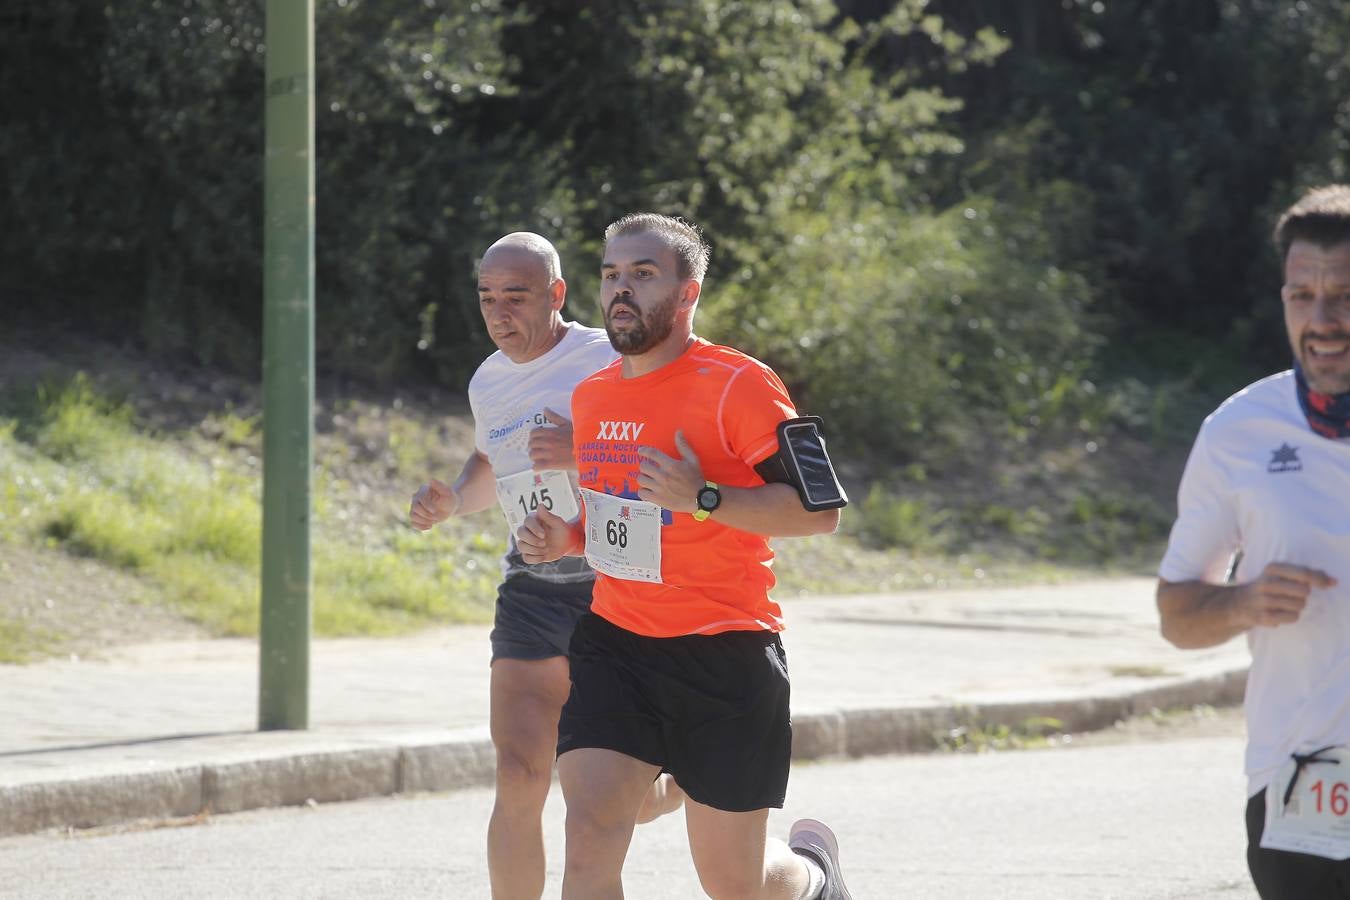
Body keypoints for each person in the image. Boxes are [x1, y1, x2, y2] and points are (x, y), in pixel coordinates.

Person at [517, 213, 853, 899]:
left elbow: (821, 513)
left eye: (643, 275)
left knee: (738, 885)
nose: (621, 290)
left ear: (688, 294)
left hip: (725, 655)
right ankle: (669, 774)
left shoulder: (742, 384)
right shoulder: (594, 394)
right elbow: (628, 519)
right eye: (612, 274)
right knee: (588, 842)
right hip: (618, 646)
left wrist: (704, 498)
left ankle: (812, 877)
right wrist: (571, 538)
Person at [409, 231, 683, 900]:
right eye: (487, 299)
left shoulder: (604, 356)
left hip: (613, 585)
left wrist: (579, 450)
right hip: (533, 586)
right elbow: (491, 464)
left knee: (616, 799)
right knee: (518, 772)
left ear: (557, 295)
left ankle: (677, 783)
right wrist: (453, 500)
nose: (500, 313)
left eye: (517, 297)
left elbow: (664, 442)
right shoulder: (487, 380)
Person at [1157, 184, 1350, 898]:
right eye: (1304, 295)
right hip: (1300, 785)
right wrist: (1242, 603)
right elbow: (1176, 614)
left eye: (1345, 296)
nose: (1323, 320)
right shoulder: (1239, 432)